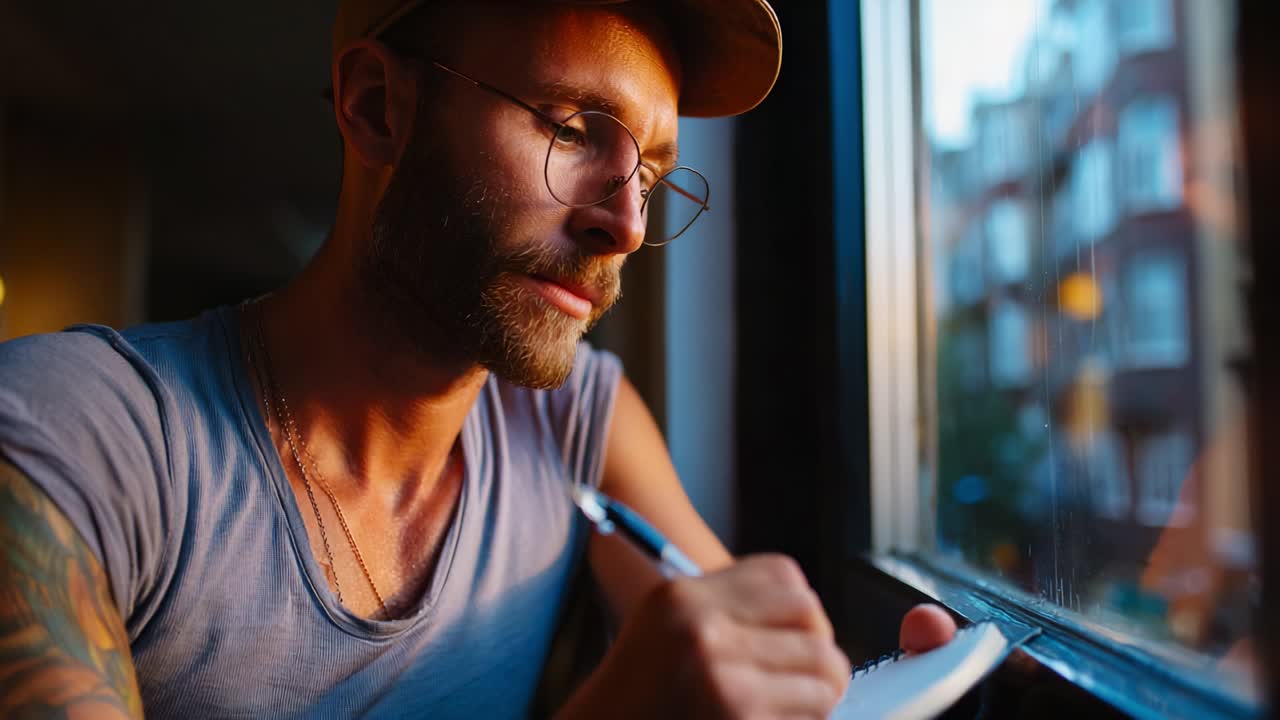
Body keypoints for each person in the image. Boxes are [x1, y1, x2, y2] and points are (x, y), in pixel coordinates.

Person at [0, 0, 955, 717]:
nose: (626, 225)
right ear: (378, 107)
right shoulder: (74, 441)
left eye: (654, 175)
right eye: (570, 128)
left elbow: (745, 665)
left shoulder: (573, 423)